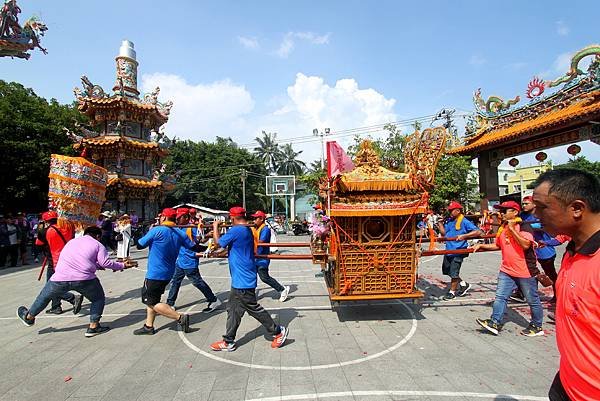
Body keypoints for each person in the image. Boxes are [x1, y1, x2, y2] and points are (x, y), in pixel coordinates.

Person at [531, 169, 600, 400]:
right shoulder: (573, 251)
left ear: (577, 209)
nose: (535, 215)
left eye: (542, 207)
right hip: (567, 385)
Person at [17, 226, 134, 337]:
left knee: (44, 296)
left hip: (60, 278)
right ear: (98, 236)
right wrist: (122, 265)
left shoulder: (71, 242)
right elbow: (105, 263)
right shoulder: (98, 245)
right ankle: (93, 326)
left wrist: (96, 265)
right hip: (85, 279)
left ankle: (29, 317)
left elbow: (78, 259)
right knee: (97, 299)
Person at [210, 206, 288, 352]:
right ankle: (228, 341)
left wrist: (215, 227)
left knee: (253, 309)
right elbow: (233, 248)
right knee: (233, 310)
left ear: (232, 218)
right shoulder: (245, 229)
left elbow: (217, 243)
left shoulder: (237, 230)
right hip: (240, 278)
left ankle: (278, 331)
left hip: (243, 279)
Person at [472, 200, 544, 337]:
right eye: (501, 210)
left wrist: (512, 229)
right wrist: (482, 246)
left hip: (525, 271)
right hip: (507, 270)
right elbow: (498, 245)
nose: (501, 213)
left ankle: (537, 325)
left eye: (505, 211)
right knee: (500, 296)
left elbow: (525, 245)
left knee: (532, 300)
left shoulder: (523, 227)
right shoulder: (503, 227)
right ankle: (495, 322)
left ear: (515, 212)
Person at [133, 208, 201, 335]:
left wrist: (149, 231)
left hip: (155, 273)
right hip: (168, 272)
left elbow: (139, 245)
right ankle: (149, 326)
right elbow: (194, 247)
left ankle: (180, 317)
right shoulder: (179, 233)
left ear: (163, 217)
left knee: (150, 301)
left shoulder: (157, 230)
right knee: (153, 299)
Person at [166, 208, 221, 312]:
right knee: (175, 282)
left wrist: (206, 241)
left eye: (179, 218)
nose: (177, 220)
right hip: (180, 261)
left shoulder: (191, 228)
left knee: (197, 282)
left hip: (190, 260)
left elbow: (197, 242)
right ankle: (170, 303)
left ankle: (213, 300)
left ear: (186, 217)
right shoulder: (179, 227)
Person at [519, 196, 567, 303]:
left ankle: (558, 296)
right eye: (523, 204)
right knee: (529, 273)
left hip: (544, 251)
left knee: (551, 275)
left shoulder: (541, 216)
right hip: (530, 251)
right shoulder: (522, 215)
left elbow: (538, 226)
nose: (524, 206)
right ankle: (527, 295)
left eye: (526, 203)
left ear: (534, 204)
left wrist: (520, 224)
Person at [437, 201, 482, 300]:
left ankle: (452, 292)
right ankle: (463, 283)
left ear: (458, 211)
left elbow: (478, 231)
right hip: (449, 250)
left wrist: (464, 236)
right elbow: (444, 233)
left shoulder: (464, 221)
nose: (450, 212)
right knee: (447, 270)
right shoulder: (449, 221)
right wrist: (440, 223)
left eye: (451, 211)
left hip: (459, 250)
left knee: (454, 271)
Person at [37, 211, 78, 314]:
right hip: (68, 258)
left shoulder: (45, 231)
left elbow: (38, 244)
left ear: (46, 221)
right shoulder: (68, 227)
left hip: (54, 261)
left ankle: (72, 298)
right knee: (55, 284)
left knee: (50, 287)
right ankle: (56, 306)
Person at [251, 210, 290, 301]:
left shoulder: (265, 229)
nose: (253, 220)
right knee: (251, 276)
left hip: (262, 257)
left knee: (264, 277)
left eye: (255, 218)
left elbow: (261, 242)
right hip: (254, 257)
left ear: (261, 219)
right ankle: (251, 295)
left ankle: (282, 289)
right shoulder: (254, 228)